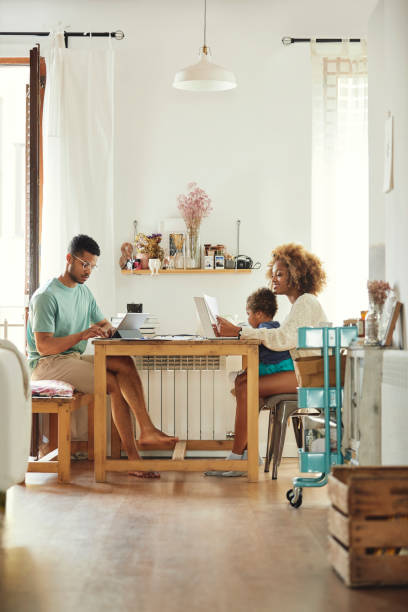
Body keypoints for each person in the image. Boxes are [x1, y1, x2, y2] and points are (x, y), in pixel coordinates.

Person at [27, 234, 177, 478]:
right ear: (69, 259)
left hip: (70, 360)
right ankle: (134, 459)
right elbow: (43, 346)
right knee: (112, 383)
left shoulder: (84, 294)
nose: (88, 271)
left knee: (124, 363)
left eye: (92, 267)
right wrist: (81, 335)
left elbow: (104, 323)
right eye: (84, 264)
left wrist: (112, 331)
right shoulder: (46, 296)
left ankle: (147, 429)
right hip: (47, 364)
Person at [207, 243, 327, 477]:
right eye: (274, 274)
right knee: (244, 383)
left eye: (280, 274)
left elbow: (285, 338)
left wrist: (241, 332)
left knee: (246, 384)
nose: (274, 278)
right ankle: (246, 454)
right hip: (302, 372)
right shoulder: (299, 305)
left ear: (297, 275)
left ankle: (239, 457)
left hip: (310, 376)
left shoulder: (306, 302)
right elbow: (285, 336)